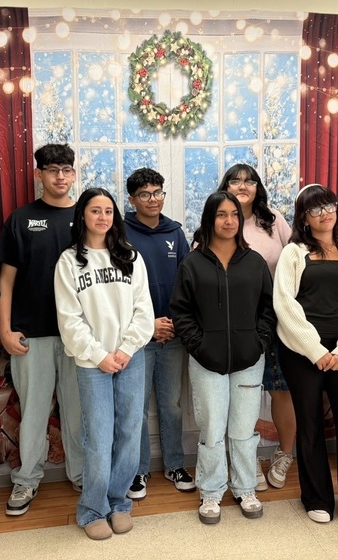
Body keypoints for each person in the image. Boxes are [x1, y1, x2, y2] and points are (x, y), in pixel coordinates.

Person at [273, 184, 338, 530]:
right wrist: (316, 351)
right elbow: (284, 305)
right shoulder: (293, 253)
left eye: (329, 206)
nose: (326, 213)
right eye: (316, 209)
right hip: (302, 352)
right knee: (311, 426)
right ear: (304, 217)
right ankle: (316, 498)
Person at [170, 191, 275, 525]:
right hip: (206, 361)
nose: (229, 221)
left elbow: (268, 309)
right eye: (221, 215)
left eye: (234, 214)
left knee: (243, 429)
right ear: (209, 219)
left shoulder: (255, 261)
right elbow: (181, 312)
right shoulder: (193, 262)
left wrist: (258, 342)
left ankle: (245, 487)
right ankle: (211, 491)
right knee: (212, 429)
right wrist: (199, 346)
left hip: (249, 359)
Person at [54, 188, 154, 540]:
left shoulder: (130, 256)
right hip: (91, 362)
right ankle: (92, 508)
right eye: (95, 211)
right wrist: (100, 355)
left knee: (129, 430)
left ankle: (119, 502)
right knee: (98, 434)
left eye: (108, 211)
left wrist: (125, 350)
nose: (102, 217)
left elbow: (145, 310)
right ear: (82, 215)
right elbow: (69, 319)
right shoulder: (69, 262)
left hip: (131, 357)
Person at [0, 144, 85, 516]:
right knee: (32, 411)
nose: (60, 176)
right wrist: (4, 329)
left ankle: (81, 474)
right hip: (32, 333)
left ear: (74, 174)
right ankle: (26, 480)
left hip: (80, 335)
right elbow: (6, 281)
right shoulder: (21, 219)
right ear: (39, 174)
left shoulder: (89, 216)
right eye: (52, 170)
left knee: (79, 411)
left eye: (66, 169)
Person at [218, 163, 295, 491]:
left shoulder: (273, 220)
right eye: (235, 180)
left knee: (281, 390)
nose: (242, 186)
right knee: (239, 396)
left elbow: (298, 257)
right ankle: (241, 460)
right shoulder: (220, 218)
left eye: (249, 181)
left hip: (278, 319)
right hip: (236, 324)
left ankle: (284, 454)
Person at [123, 168, 194, 500]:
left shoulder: (176, 232)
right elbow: (119, 289)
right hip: (137, 336)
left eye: (158, 192)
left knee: (172, 404)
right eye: (145, 194)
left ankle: (175, 464)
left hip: (172, 335)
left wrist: (175, 322)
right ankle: (137, 471)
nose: (153, 199)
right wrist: (148, 324)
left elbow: (186, 283)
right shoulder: (120, 232)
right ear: (132, 199)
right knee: (136, 407)